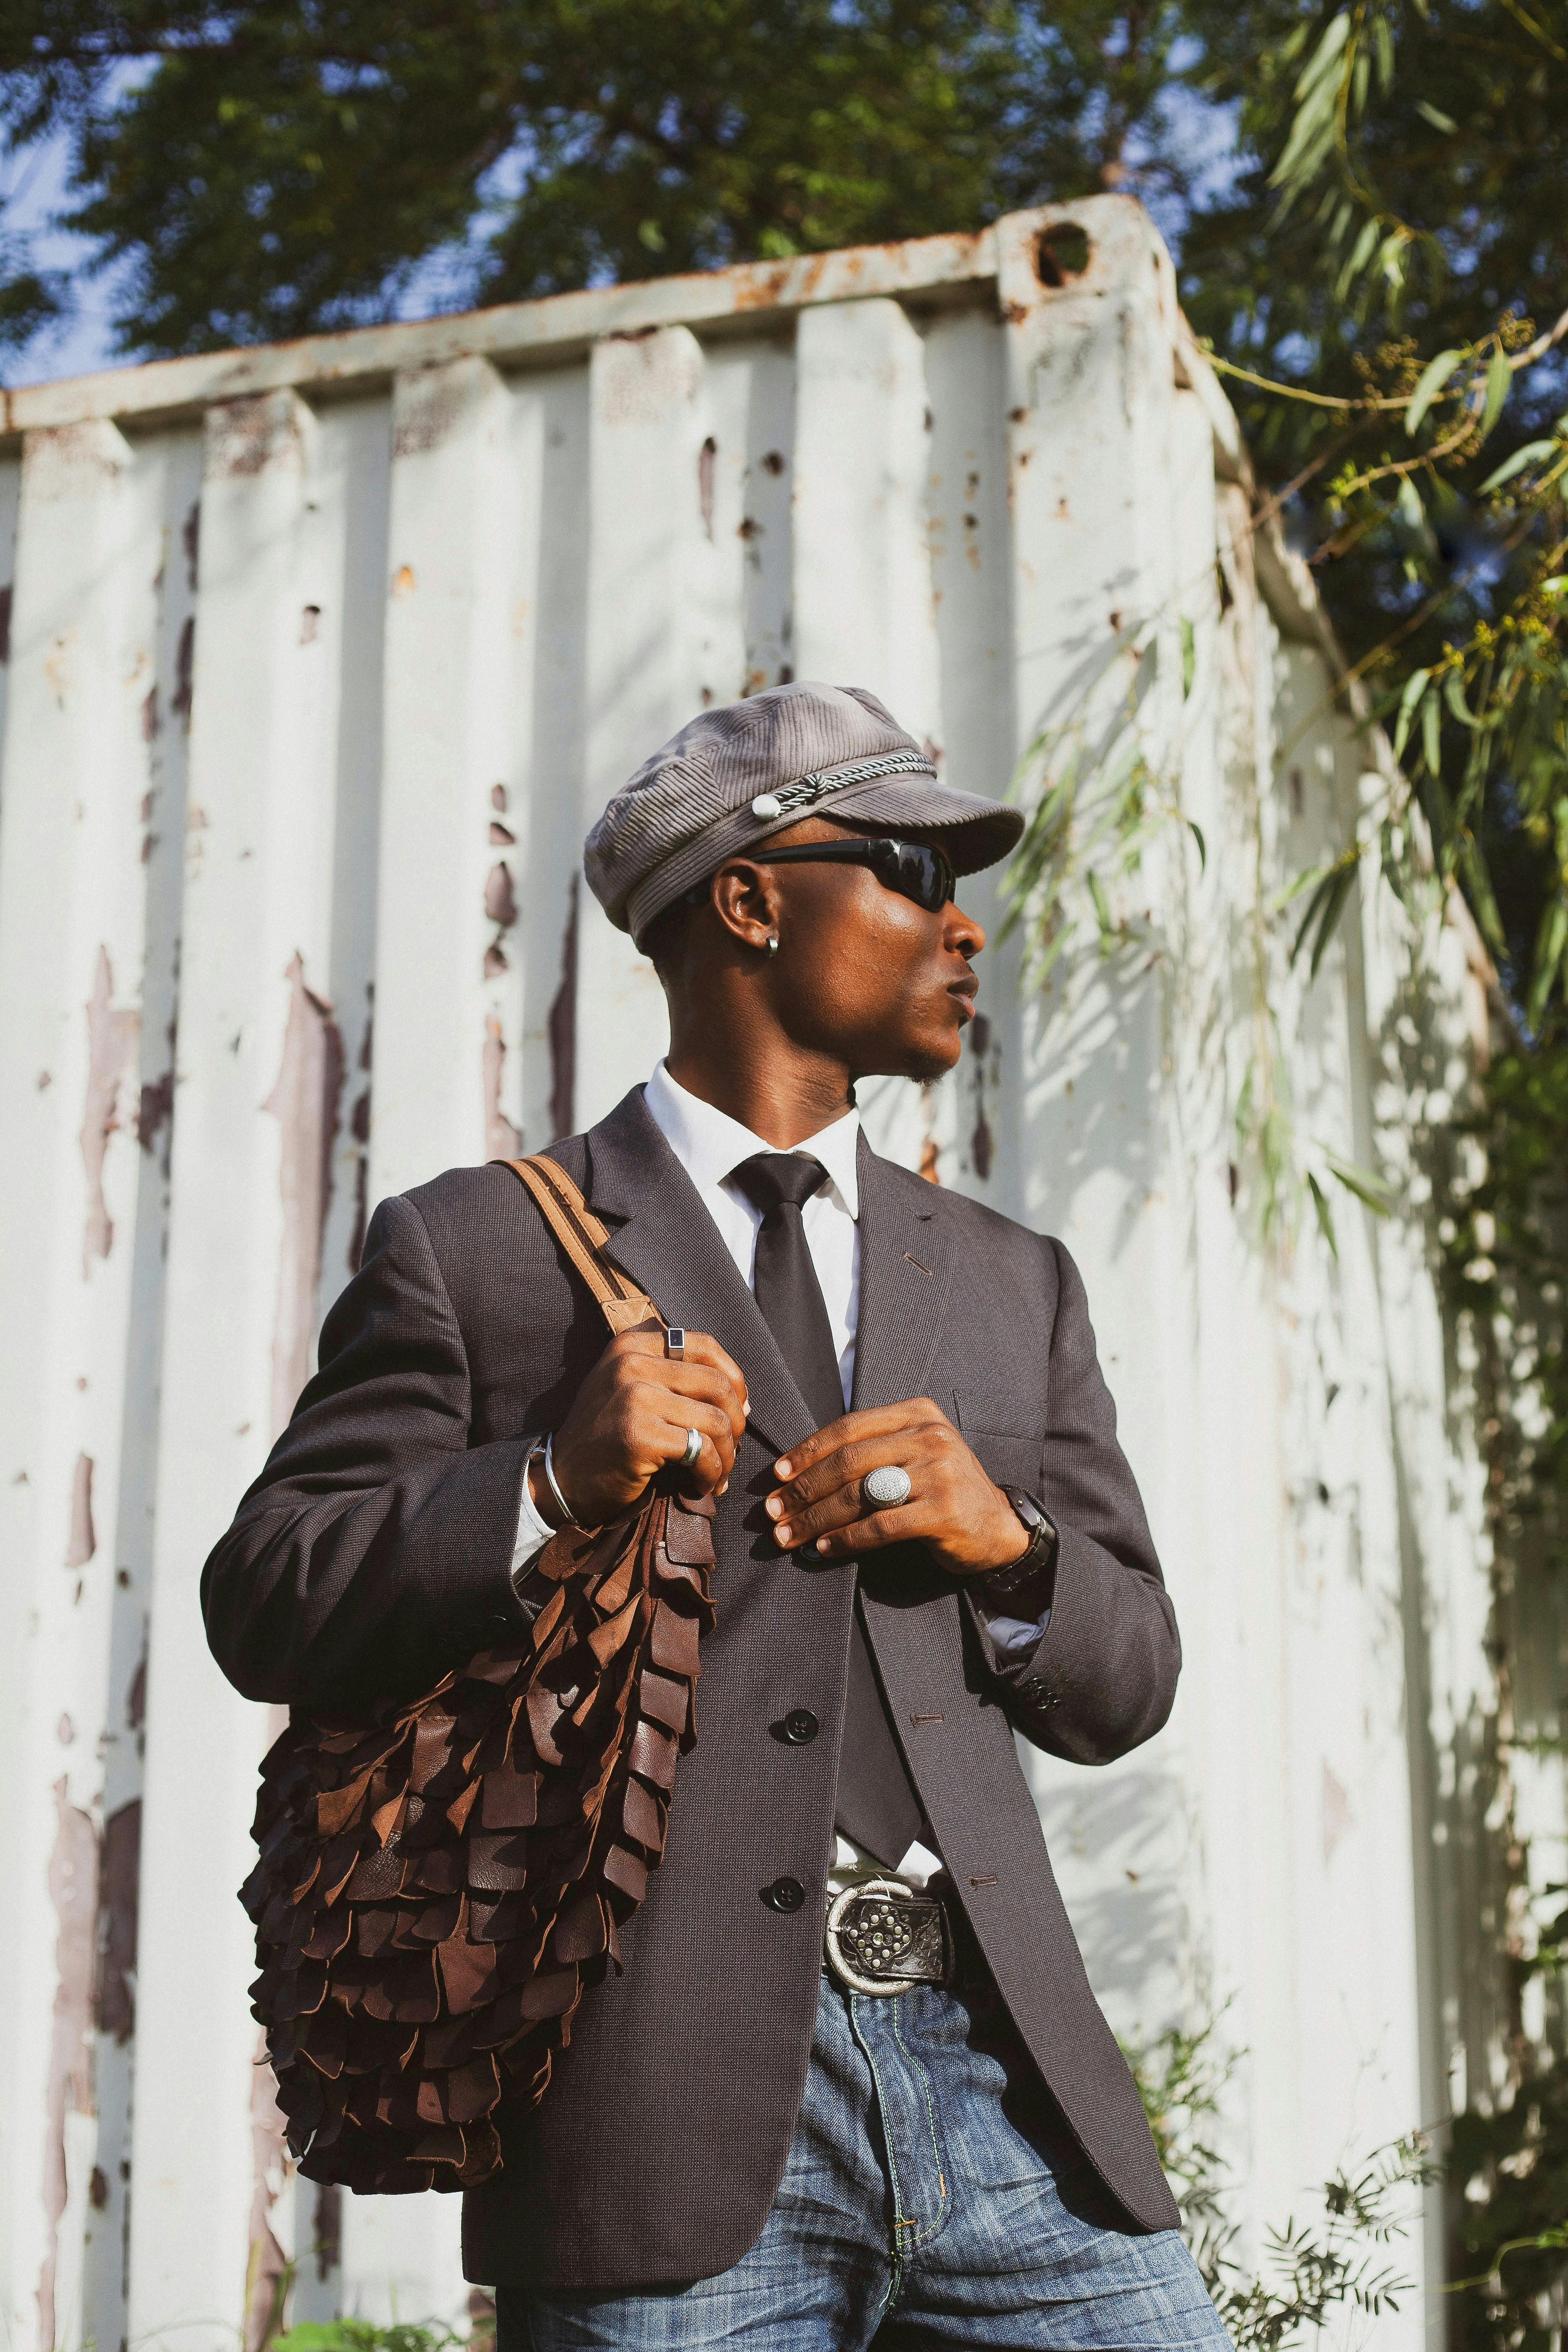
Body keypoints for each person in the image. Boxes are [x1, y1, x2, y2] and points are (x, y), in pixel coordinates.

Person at [203, 681, 1230, 2349]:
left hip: (1011, 2095)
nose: (963, 931)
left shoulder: (1006, 1280)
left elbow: (1131, 1677)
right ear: (752, 899)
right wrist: (542, 1484)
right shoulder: (476, 1250)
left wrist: (1016, 1556)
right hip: (655, 2121)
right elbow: (267, 1592)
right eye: (915, 869)